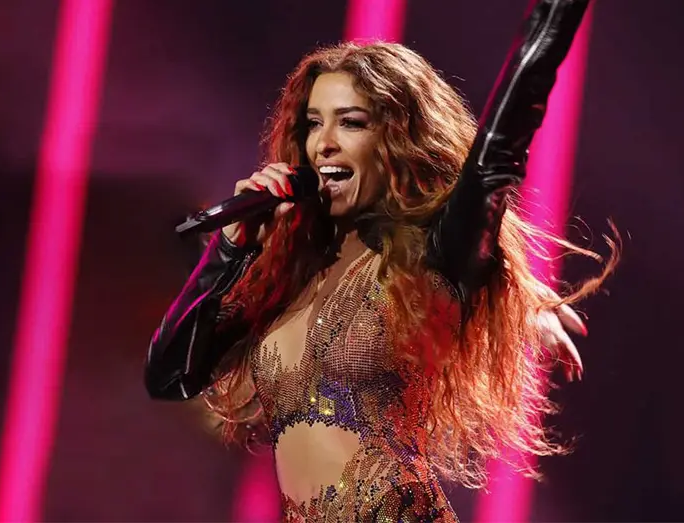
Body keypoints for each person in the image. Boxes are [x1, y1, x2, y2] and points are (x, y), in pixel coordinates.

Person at [145, 1, 616, 521]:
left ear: (396, 140)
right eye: (313, 124)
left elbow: (501, 141)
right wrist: (231, 248)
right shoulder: (291, 273)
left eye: (351, 123)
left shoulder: (434, 255)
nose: (324, 144)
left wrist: (556, 13)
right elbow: (169, 375)